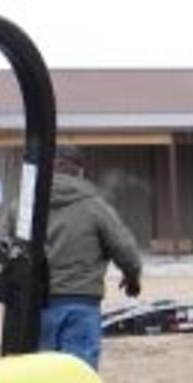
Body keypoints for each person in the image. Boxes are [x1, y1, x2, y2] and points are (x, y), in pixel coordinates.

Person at [39, 145, 142, 369]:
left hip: (34, 307)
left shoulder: (23, 206)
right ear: (80, 173)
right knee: (79, 376)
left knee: (39, 376)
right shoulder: (94, 206)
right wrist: (132, 276)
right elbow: (125, 249)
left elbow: (5, 252)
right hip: (80, 305)